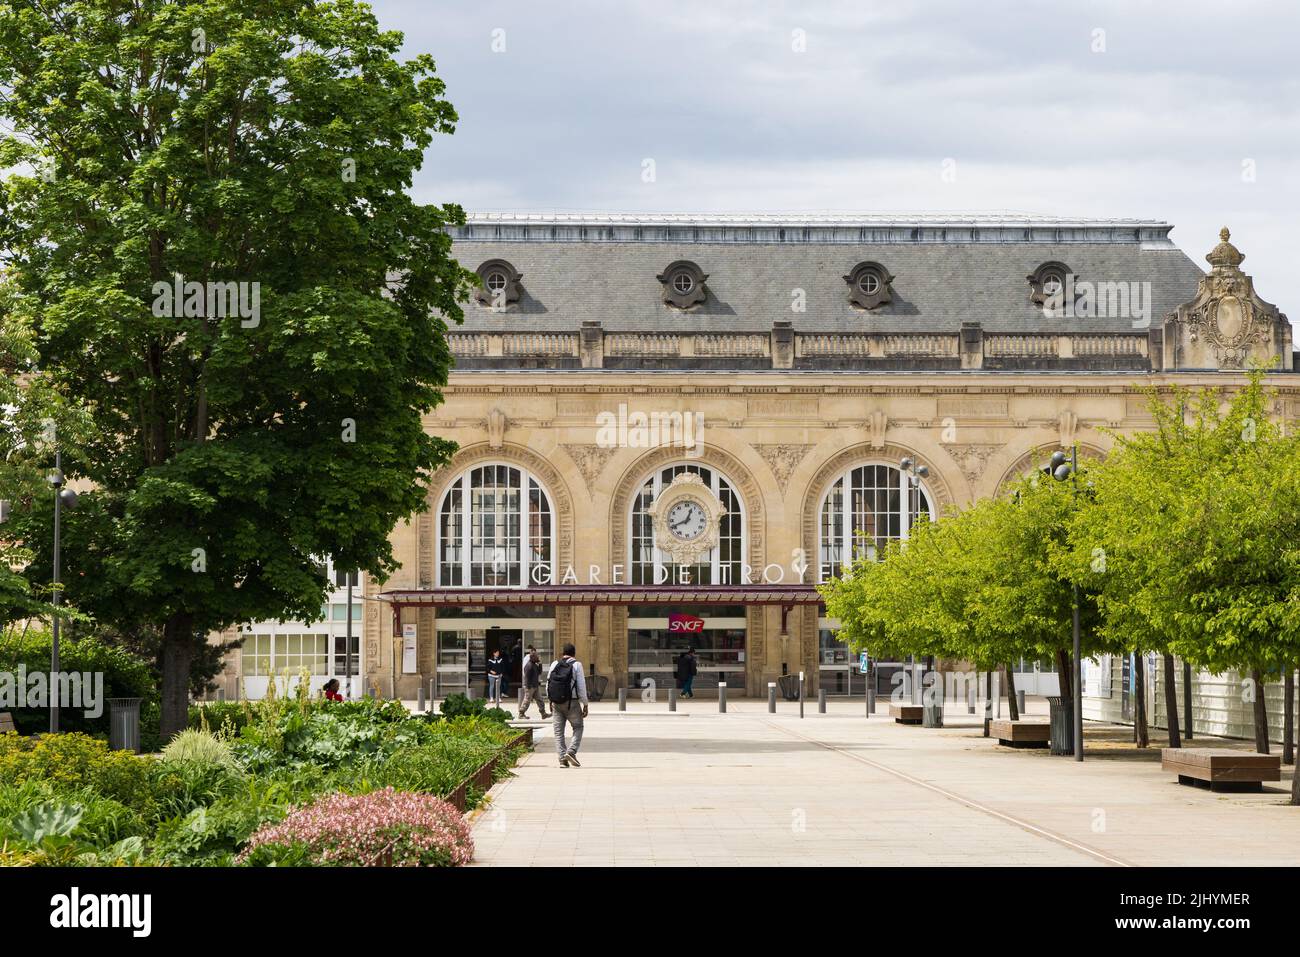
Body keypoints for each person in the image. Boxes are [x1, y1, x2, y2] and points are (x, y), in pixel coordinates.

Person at [546, 643, 589, 767]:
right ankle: (571, 752)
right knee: (578, 727)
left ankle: (562, 759)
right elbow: (581, 686)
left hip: (556, 702)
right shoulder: (577, 665)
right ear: (574, 653)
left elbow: (548, 683)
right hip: (572, 702)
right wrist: (585, 704)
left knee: (558, 732)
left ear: (563, 653)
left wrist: (550, 700)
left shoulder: (555, 664)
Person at [519, 645, 549, 720]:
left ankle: (543, 713)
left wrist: (540, 664)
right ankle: (521, 713)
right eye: (537, 657)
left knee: (540, 699)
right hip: (530, 686)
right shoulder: (529, 666)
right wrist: (528, 686)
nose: (538, 658)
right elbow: (527, 677)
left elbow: (539, 672)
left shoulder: (534, 665)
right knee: (527, 700)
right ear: (532, 658)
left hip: (535, 686)